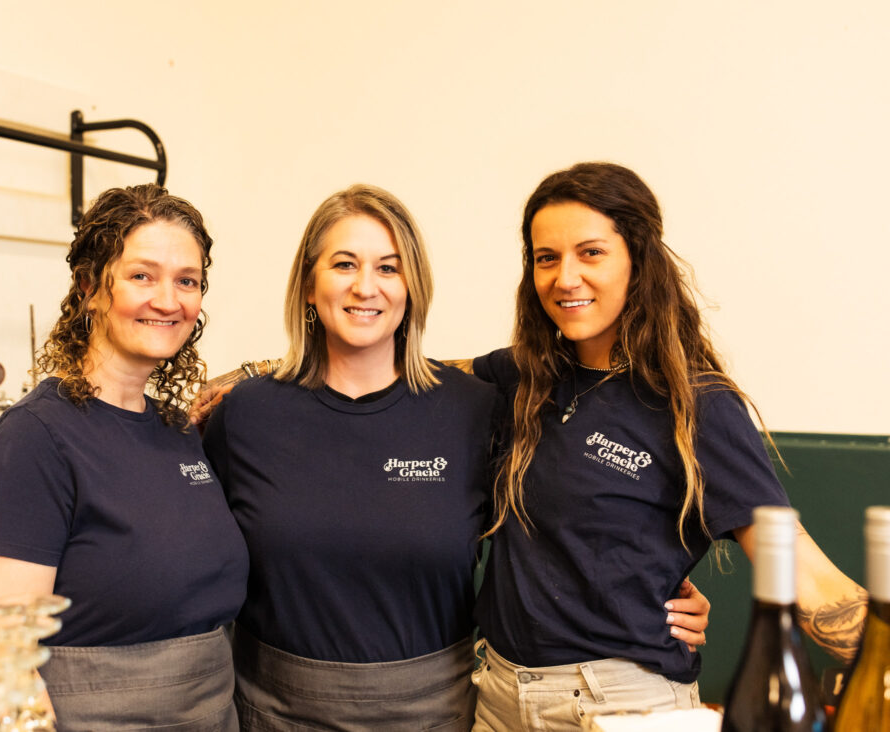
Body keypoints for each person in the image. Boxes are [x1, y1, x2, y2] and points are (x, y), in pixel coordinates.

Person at [197, 183, 708, 731]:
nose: (366, 286)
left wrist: (650, 594)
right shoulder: (245, 414)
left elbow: (558, 531)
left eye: (389, 268)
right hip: (275, 710)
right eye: (344, 264)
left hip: (437, 712)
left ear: (413, 287)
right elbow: (193, 561)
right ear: (307, 285)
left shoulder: (475, 408)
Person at [452, 162, 868, 731]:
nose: (565, 277)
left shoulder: (697, 405)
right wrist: (294, 365)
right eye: (546, 257)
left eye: (591, 252)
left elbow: (808, 575)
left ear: (639, 260)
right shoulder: (524, 375)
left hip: (617, 703)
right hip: (495, 695)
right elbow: (405, 375)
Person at [0, 184, 249, 731]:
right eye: (142, 275)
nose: (169, 299)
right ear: (91, 287)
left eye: (187, 280)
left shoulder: (177, 431)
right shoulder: (35, 441)